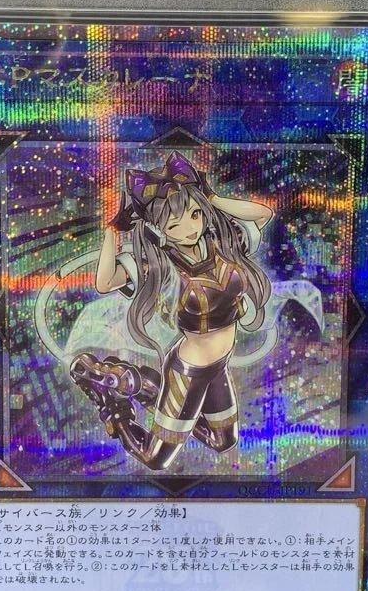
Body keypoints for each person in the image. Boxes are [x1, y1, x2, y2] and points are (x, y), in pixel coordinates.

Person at [70, 152, 273, 470]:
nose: (189, 228)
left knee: (224, 440)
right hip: (188, 370)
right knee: (155, 459)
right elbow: (105, 282)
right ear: (159, 228)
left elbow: (263, 214)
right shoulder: (160, 265)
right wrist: (111, 232)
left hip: (218, 365)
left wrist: (211, 198)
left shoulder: (225, 242)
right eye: (174, 224)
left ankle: (136, 385)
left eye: (195, 214)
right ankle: (113, 393)